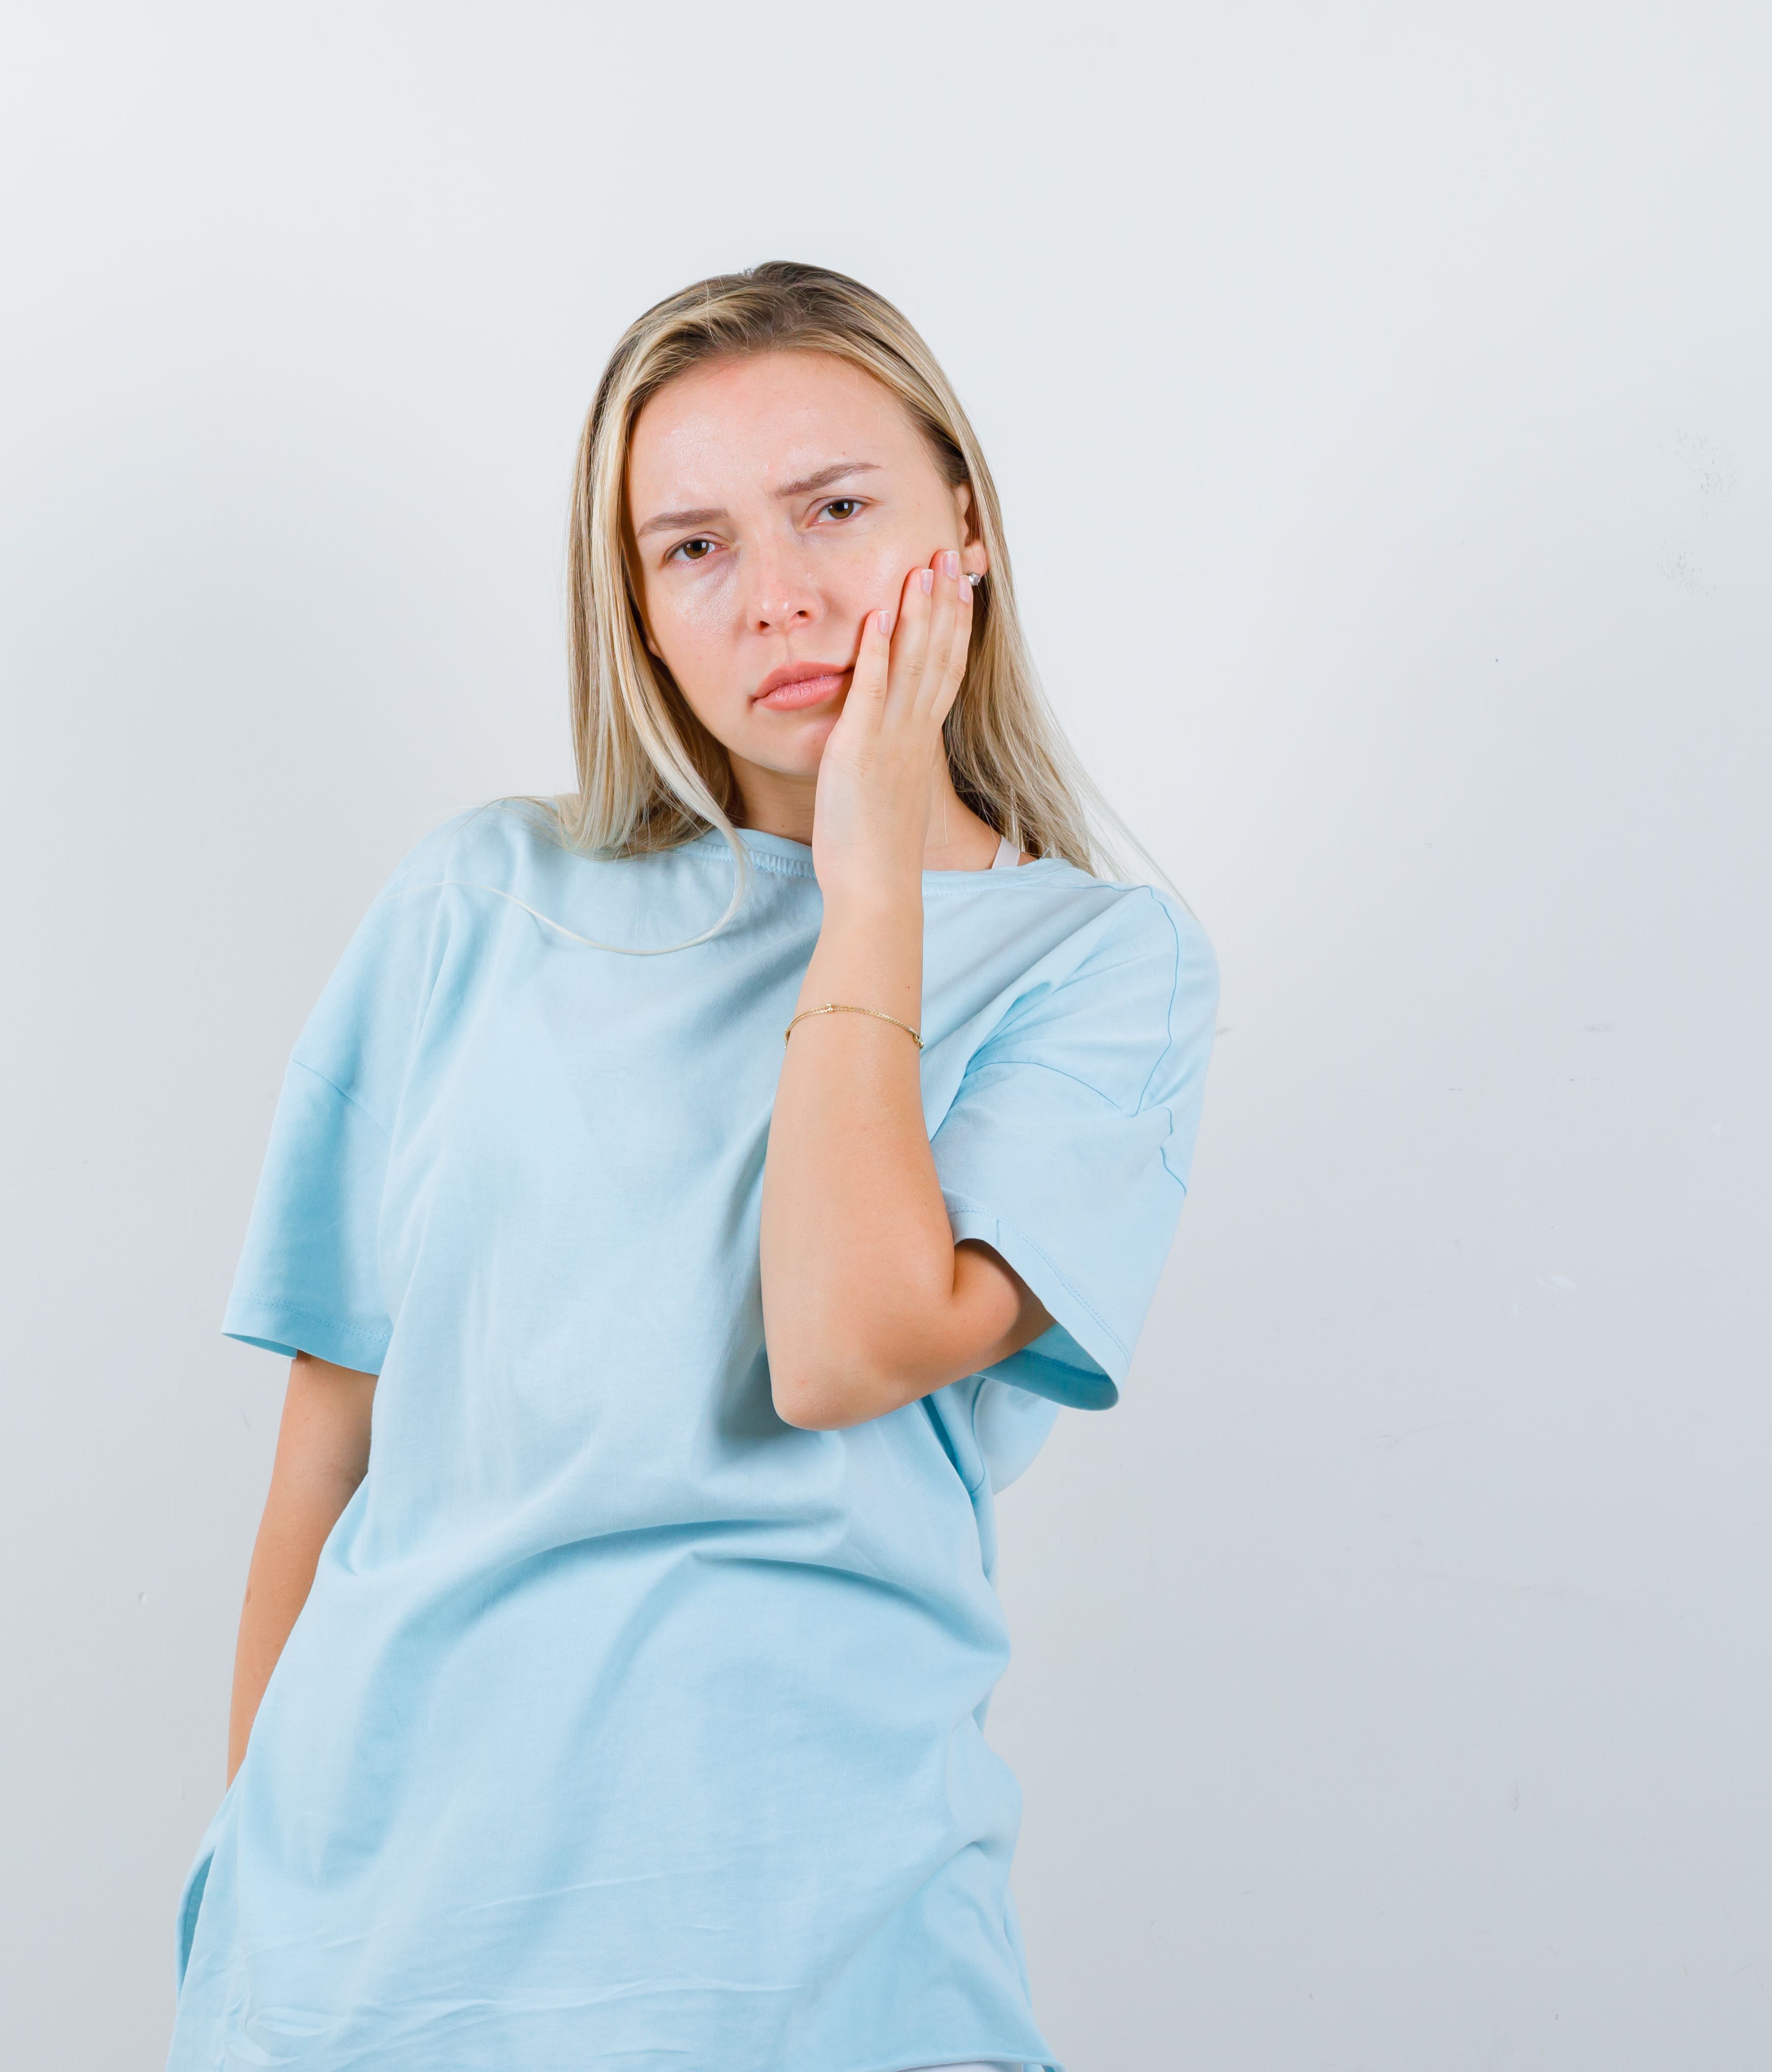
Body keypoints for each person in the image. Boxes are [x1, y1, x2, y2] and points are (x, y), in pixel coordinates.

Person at [163, 261, 1220, 2071]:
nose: (783, 598)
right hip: (365, 1967)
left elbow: (838, 1345)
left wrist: (870, 875)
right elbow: (325, 1463)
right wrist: (250, 1888)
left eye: (835, 509)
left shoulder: (1099, 970)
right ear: (638, 614)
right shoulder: (480, 905)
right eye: (695, 549)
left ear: (961, 521)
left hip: (819, 1961)